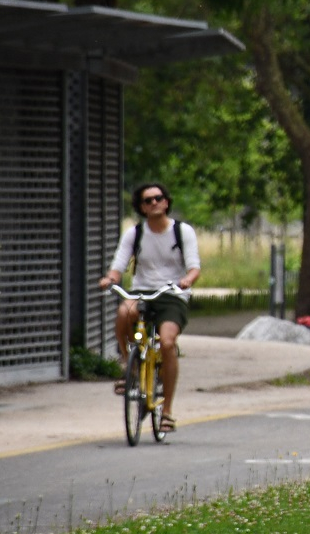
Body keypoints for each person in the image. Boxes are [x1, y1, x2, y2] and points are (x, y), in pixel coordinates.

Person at [98, 183, 201, 433]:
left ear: (166, 202)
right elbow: (119, 264)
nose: (154, 203)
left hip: (172, 294)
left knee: (166, 343)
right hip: (142, 291)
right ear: (142, 207)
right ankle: (128, 363)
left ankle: (166, 412)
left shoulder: (182, 231)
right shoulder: (135, 234)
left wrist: (187, 280)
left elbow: (194, 266)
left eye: (158, 198)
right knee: (124, 312)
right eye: (148, 201)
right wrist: (110, 279)